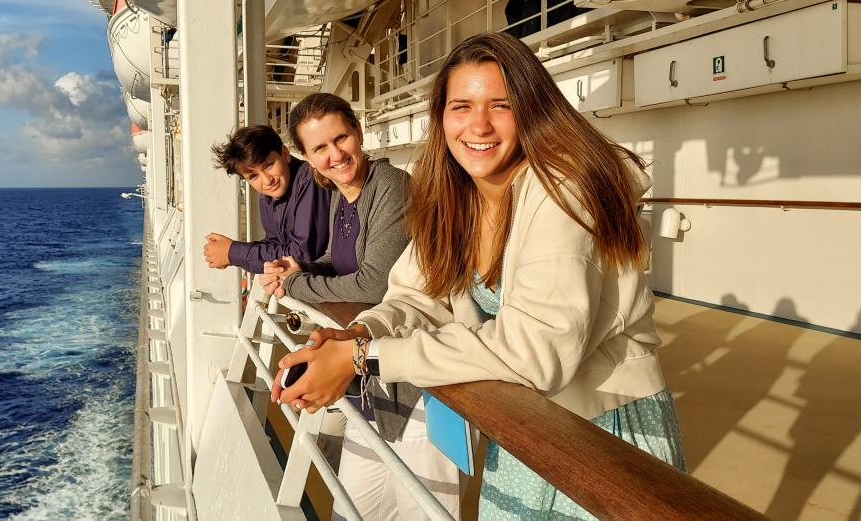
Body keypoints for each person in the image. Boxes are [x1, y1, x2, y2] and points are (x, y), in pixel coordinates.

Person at [273, 33, 685, 520]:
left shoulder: (564, 190)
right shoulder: (459, 194)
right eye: (461, 106)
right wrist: (359, 333)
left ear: (532, 109)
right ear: (442, 116)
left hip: (602, 432)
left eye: (501, 105)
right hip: (528, 427)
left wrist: (363, 358)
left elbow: (536, 351)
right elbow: (417, 294)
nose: (478, 125)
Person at [260, 92, 460, 521]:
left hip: (418, 380)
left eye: (341, 138)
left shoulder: (391, 188)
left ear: (359, 131)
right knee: (355, 507)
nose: (335, 155)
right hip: (368, 371)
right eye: (320, 148)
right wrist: (298, 269)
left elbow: (373, 283)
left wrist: (296, 283)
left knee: (421, 510)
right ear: (305, 156)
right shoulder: (339, 194)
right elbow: (339, 260)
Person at [204, 124, 329, 274]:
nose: (267, 180)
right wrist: (232, 252)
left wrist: (234, 253)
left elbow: (304, 254)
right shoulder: (268, 197)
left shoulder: (309, 180)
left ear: (285, 154)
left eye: (269, 165)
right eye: (253, 176)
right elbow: (276, 244)